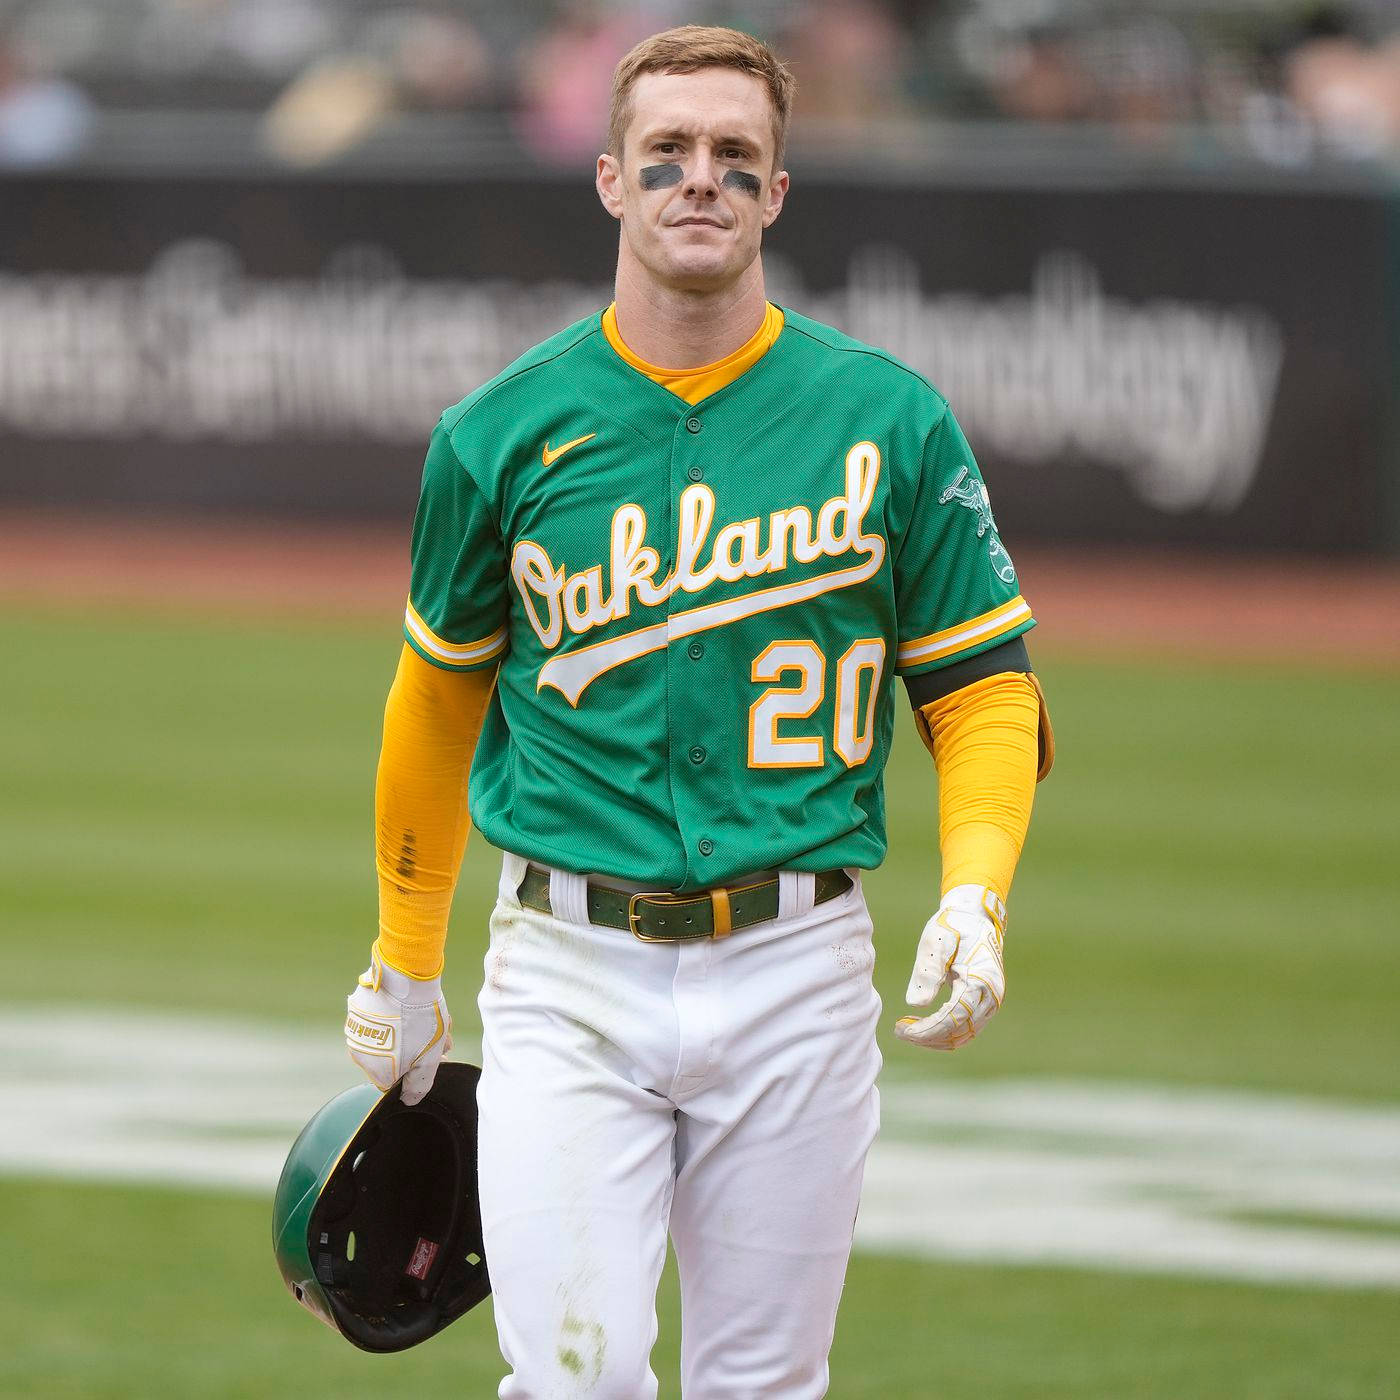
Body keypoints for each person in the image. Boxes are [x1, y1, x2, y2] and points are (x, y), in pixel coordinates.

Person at [343, 24, 1052, 1398]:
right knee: (578, 1381)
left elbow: (980, 690)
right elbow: (433, 708)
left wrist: (978, 892)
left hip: (797, 970)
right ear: (610, 179)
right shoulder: (499, 432)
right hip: (566, 970)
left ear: (778, 193)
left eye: (736, 156)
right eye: (667, 153)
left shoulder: (889, 420)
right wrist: (405, 959)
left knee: (762, 1387)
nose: (700, 180)